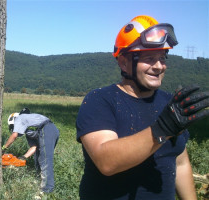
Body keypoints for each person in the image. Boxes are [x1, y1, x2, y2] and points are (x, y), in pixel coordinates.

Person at [76, 15, 209, 200]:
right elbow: (106, 162)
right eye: (149, 58)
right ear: (124, 62)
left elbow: (179, 162)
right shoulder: (100, 100)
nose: (159, 66)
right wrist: (162, 129)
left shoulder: (170, 103)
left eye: (162, 58)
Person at [2, 107, 60, 193]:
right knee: (38, 158)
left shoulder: (19, 118)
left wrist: (3, 148)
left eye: (13, 127)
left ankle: (47, 191)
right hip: (47, 131)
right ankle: (39, 183)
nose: (15, 129)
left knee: (45, 160)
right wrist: (23, 157)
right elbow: (34, 147)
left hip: (47, 129)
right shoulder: (28, 132)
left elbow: (14, 136)